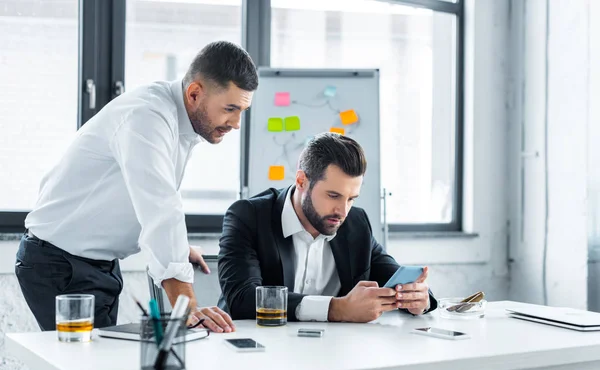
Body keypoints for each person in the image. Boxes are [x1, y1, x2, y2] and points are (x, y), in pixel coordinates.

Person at [15, 41, 257, 333]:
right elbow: (161, 210)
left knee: (101, 369)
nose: (236, 123)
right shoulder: (148, 117)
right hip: (59, 263)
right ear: (194, 93)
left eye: (242, 110)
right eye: (230, 109)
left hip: (96, 263)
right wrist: (189, 309)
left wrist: (178, 250)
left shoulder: (181, 119)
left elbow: (150, 202)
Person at [218, 133, 437, 323]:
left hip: (332, 355)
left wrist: (417, 299)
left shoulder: (356, 223)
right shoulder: (248, 216)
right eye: (333, 195)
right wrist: (338, 308)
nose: (342, 211)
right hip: (260, 351)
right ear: (302, 181)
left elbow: (393, 276)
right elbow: (242, 299)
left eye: (351, 199)